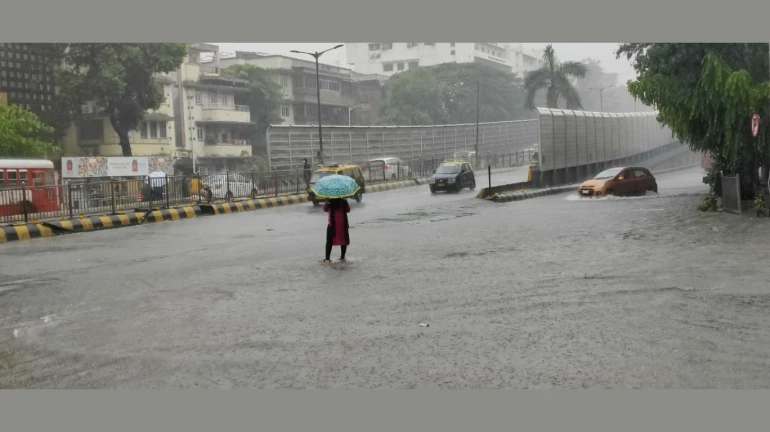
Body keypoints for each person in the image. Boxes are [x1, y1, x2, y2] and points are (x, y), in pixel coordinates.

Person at [322, 198, 350, 264]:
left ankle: (327, 258)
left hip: (332, 224)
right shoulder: (344, 201)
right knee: (343, 239)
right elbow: (348, 210)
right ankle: (342, 257)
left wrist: (327, 202)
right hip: (342, 223)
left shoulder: (329, 201)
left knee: (329, 241)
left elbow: (325, 209)